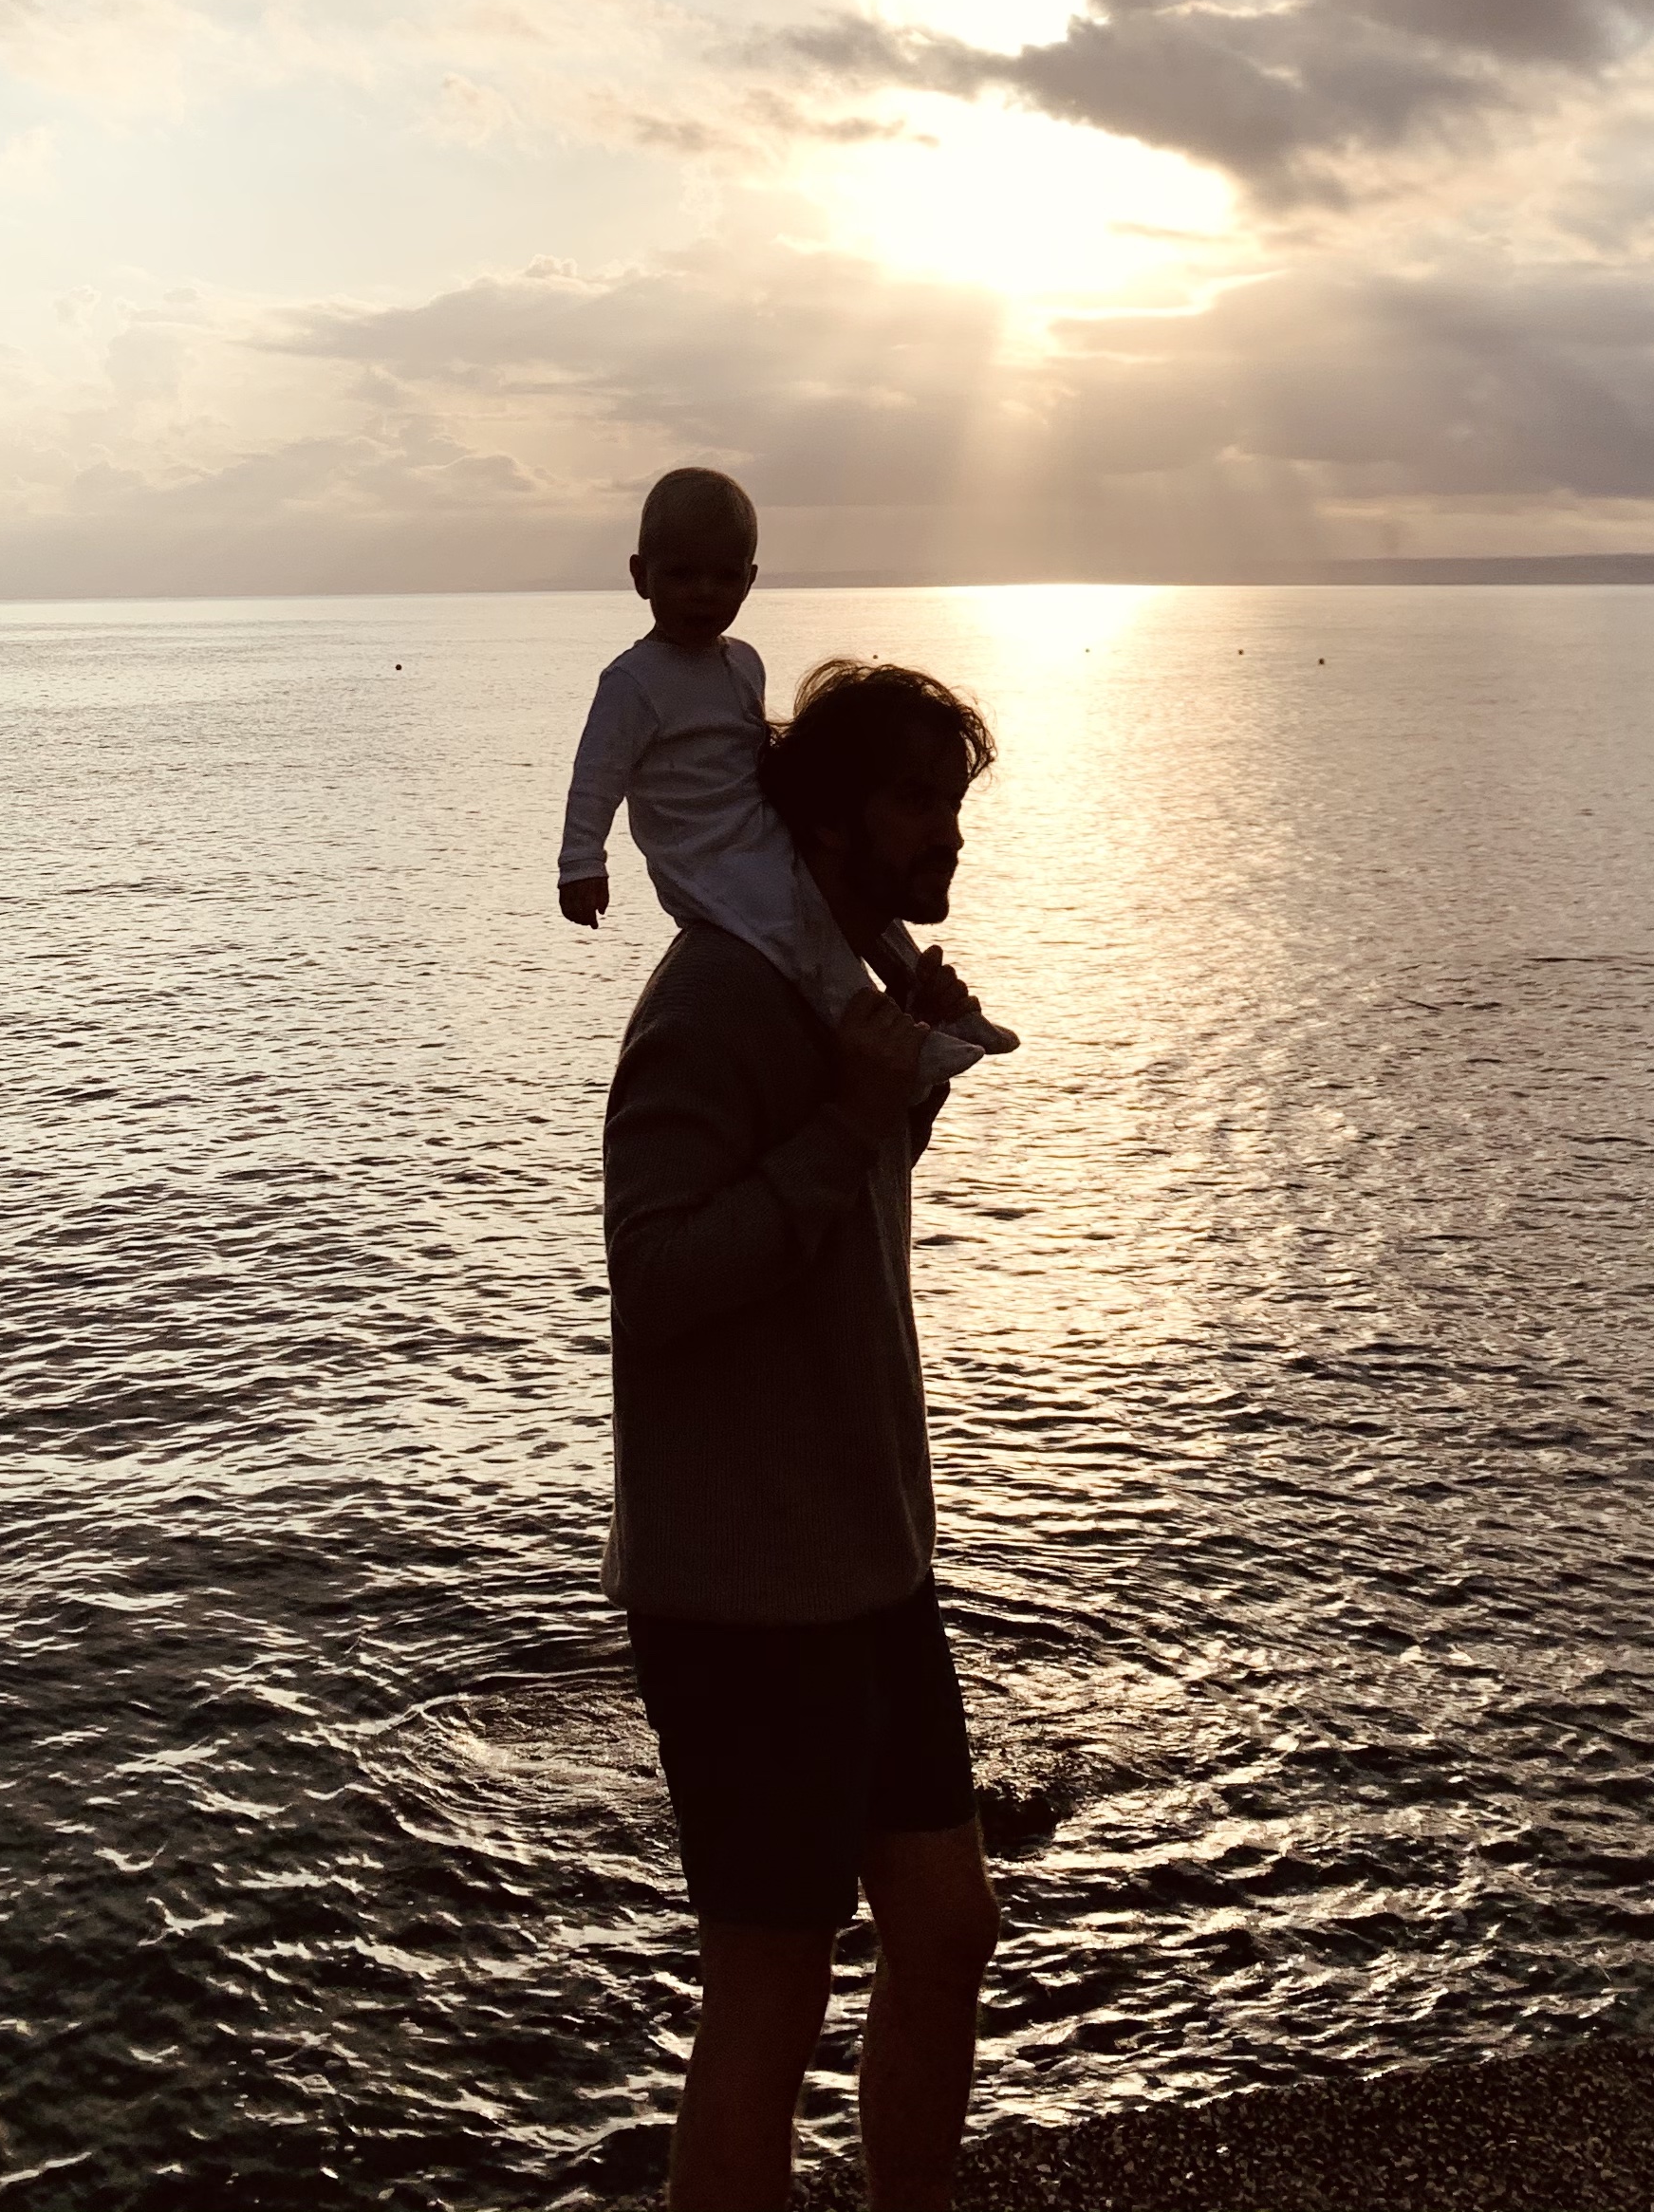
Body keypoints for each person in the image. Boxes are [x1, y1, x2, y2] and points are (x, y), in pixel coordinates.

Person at [601, 654, 1005, 2212]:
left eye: (951, 802)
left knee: (946, 1920)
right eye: (913, 799)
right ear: (823, 818)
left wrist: (906, 1087)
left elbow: (823, 1207)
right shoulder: (713, 993)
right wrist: (851, 1113)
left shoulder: (852, 976)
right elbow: (660, 1275)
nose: (942, 836)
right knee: (764, 1995)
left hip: (863, 1564)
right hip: (738, 1593)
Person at [558, 466, 1015, 1075]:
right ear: (642, 576)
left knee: (857, 905)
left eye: (724, 577)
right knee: (803, 935)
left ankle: (937, 1008)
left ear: (749, 582)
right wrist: (582, 864)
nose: (703, 592)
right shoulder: (632, 684)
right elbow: (596, 777)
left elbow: (753, 749)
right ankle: (892, 1038)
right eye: (682, 573)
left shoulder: (743, 663)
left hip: (758, 827)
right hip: (705, 856)